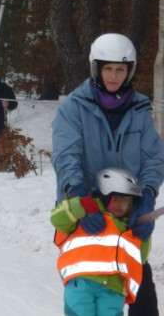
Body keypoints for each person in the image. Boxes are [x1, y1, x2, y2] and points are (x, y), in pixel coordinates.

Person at [52, 33, 164, 315]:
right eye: (108, 68)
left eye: (120, 69)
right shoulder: (74, 108)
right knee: (88, 290)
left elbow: (153, 158)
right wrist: (81, 200)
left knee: (139, 284)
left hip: (126, 209)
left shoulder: (139, 109)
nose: (114, 75)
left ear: (129, 72)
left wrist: (148, 196)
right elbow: (67, 157)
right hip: (87, 209)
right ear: (96, 69)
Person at [52, 167, 149, 316]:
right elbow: (57, 219)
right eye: (116, 199)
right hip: (81, 283)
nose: (120, 205)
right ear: (104, 196)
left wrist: (143, 236)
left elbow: (140, 258)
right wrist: (81, 206)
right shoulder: (86, 217)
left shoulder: (128, 229)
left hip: (114, 289)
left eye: (126, 201)